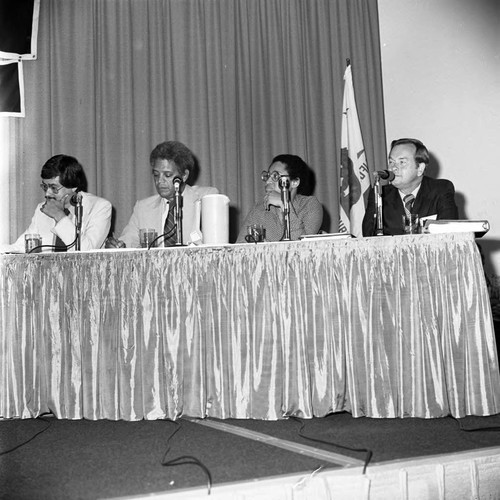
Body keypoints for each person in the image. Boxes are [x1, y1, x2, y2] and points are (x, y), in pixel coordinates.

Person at [107, 141, 218, 248]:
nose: (160, 181)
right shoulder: (143, 208)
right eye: (156, 175)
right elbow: (126, 244)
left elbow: (215, 245)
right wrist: (116, 246)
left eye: (167, 175)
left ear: (184, 175)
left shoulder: (206, 199)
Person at [3, 154, 112, 252]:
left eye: (53, 187)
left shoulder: (100, 207)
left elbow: (86, 252)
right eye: (45, 186)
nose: (47, 193)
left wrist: (59, 216)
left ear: (73, 186)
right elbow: (21, 247)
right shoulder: (42, 208)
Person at [362, 138, 458, 236]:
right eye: (391, 162)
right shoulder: (380, 194)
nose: (393, 168)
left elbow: (449, 235)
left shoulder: (440, 190)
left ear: (420, 168)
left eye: (402, 162)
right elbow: (368, 238)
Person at [236, 154, 323, 242]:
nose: (268, 181)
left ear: (294, 182)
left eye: (275, 176)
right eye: (267, 176)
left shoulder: (309, 205)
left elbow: (302, 247)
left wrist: (284, 205)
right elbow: (239, 249)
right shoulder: (258, 210)